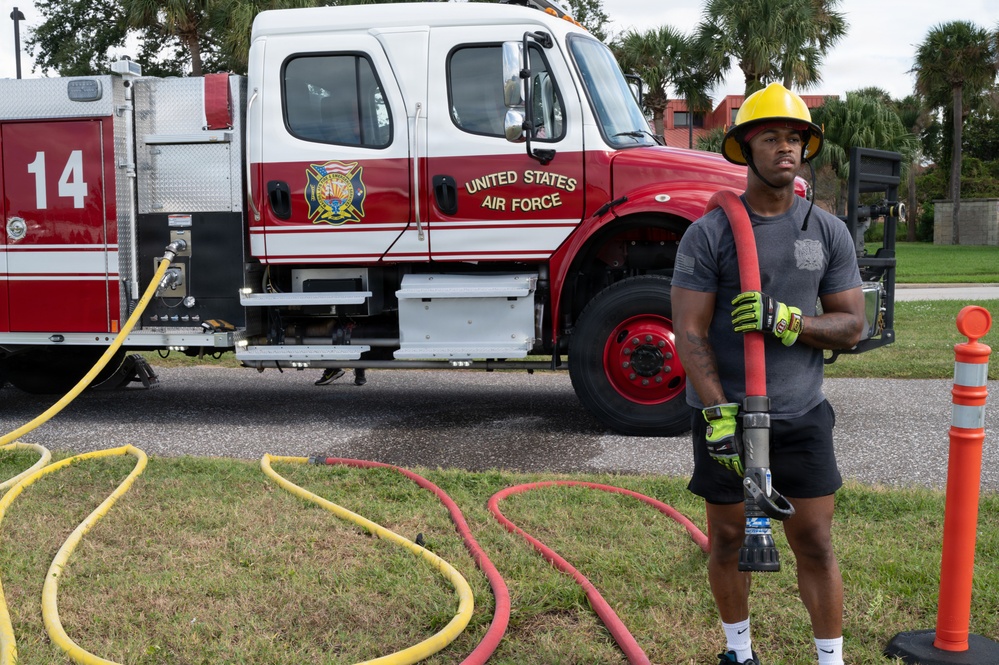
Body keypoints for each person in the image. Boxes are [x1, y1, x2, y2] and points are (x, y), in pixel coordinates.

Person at [670, 83, 866, 665]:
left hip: (801, 413)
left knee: (814, 540)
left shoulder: (826, 231)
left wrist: (788, 320)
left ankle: (829, 659)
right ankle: (739, 653)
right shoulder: (709, 233)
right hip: (730, 417)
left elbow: (851, 325)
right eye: (772, 137)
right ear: (744, 148)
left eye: (796, 138)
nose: (786, 148)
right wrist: (717, 414)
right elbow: (690, 331)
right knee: (729, 539)